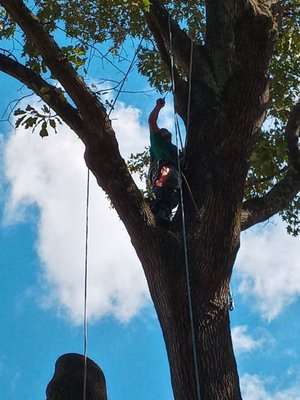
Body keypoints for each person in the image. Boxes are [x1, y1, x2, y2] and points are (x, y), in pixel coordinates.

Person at [148, 98, 180, 222]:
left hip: (172, 180)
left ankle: (163, 212)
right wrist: (158, 107)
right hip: (164, 173)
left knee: (170, 197)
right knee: (164, 193)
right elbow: (152, 121)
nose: (168, 135)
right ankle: (160, 213)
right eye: (165, 133)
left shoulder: (174, 151)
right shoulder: (158, 143)